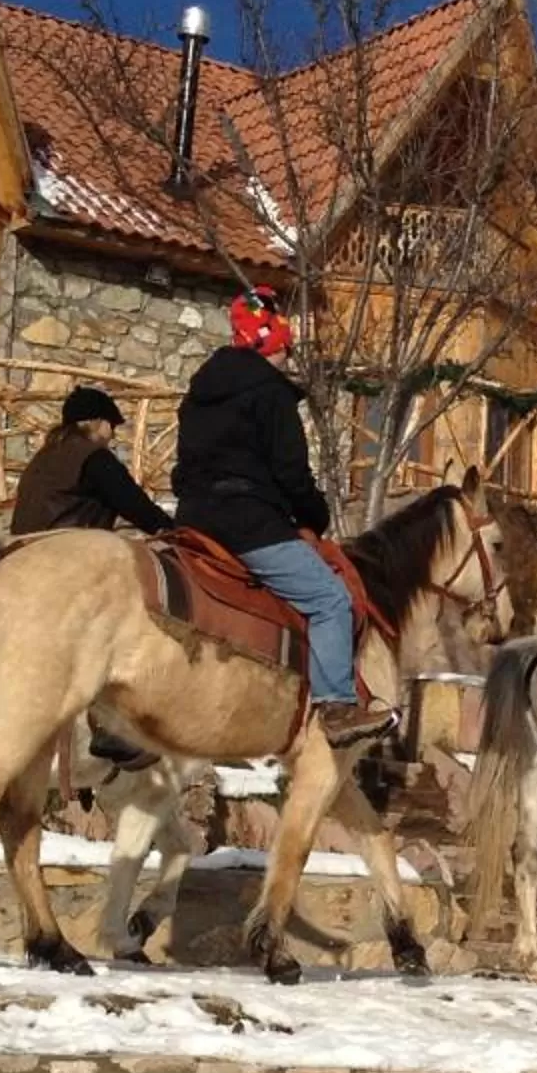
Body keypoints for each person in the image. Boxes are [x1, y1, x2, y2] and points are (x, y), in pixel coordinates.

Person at [169, 287, 391, 747]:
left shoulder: (198, 394)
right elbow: (291, 474)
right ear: (268, 344)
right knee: (329, 599)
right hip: (248, 522)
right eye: (286, 347)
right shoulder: (271, 394)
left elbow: (182, 466)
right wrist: (313, 514)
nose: (290, 357)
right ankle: (336, 706)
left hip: (193, 518)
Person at [9, 385, 171, 537]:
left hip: (21, 547)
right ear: (98, 422)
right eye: (112, 425)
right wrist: (172, 531)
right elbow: (135, 505)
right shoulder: (94, 457)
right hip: (67, 548)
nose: (113, 435)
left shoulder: (44, 455)